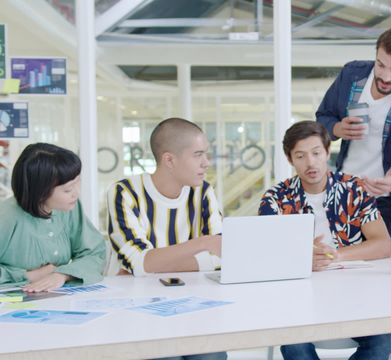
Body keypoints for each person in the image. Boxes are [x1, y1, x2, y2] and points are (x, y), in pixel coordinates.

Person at [315, 24, 391, 358]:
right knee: (330, 276)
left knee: (390, 297)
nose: (384, 76)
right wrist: (336, 128)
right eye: (380, 65)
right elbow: (322, 118)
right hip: (341, 200)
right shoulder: (352, 75)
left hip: (389, 205)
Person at [259, 121, 391, 360]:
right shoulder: (275, 199)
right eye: (300, 156)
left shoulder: (354, 189)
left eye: (316, 153)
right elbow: (266, 255)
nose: (310, 163)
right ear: (290, 159)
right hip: (298, 299)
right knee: (294, 345)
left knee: (385, 337)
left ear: (327, 152)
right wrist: (301, 258)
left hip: (353, 294)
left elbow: (383, 245)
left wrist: (337, 254)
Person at [107, 117, 226, 360]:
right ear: (169, 160)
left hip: (196, 305)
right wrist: (202, 244)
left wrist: (151, 264)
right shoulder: (124, 192)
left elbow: (224, 255)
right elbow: (141, 264)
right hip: (141, 309)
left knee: (211, 357)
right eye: (198, 155)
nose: (206, 163)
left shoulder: (203, 191)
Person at [0, 143, 105, 292]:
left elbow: (94, 253)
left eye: (77, 182)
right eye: (67, 189)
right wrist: (28, 276)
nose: (76, 193)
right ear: (40, 192)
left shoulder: (69, 208)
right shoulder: (6, 217)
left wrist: (62, 275)